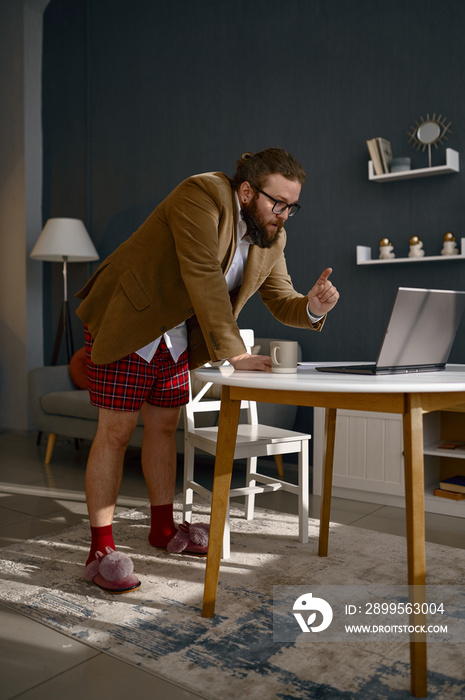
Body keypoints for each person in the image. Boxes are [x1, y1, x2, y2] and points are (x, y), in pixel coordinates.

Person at [76, 147, 339, 593]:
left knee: (163, 429)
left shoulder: (272, 237)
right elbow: (203, 274)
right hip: (129, 318)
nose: (285, 215)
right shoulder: (200, 194)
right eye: (278, 203)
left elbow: (280, 298)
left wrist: (312, 307)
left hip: (177, 335)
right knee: (115, 433)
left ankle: (162, 529)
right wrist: (235, 353)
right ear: (246, 190)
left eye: (293, 206)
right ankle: (100, 550)